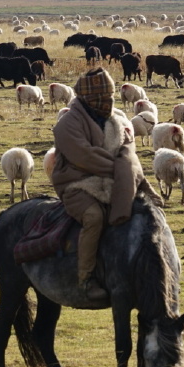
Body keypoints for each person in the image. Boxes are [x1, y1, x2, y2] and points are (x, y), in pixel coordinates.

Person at [51, 67, 157, 301]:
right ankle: (85, 278)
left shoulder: (117, 118)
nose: (107, 101)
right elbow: (84, 157)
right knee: (94, 217)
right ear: (88, 98)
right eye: (101, 97)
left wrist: (135, 177)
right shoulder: (67, 124)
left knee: (145, 213)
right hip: (77, 182)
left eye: (109, 96)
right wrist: (122, 172)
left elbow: (129, 152)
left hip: (114, 180)